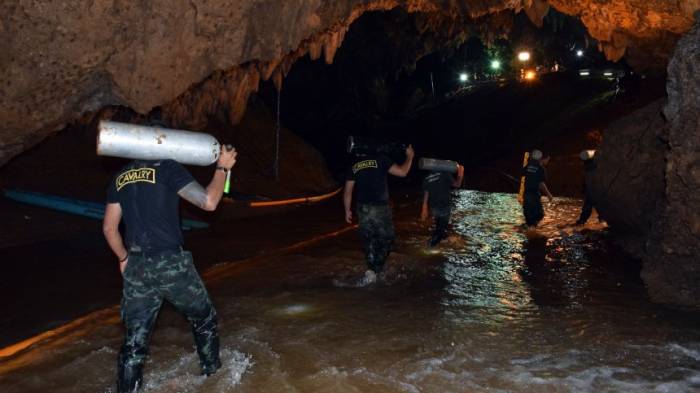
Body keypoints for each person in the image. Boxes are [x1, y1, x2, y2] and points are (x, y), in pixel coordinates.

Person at [102, 134, 237, 393]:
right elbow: (209, 202)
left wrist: (123, 258)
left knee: (134, 343)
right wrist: (222, 168)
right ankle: (213, 379)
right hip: (170, 263)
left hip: (137, 268)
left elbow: (109, 228)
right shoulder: (167, 167)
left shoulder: (120, 176)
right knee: (204, 320)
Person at [343, 144, 415, 284]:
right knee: (387, 239)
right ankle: (375, 270)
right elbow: (403, 172)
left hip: (363, 208)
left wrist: (347, 210)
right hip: (380, 207)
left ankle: (371, 270)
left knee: (369, 240)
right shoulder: (381, 159)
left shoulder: (354, 164)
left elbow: (347, 192)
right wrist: (410, 157)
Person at [420, 163, 464, 246]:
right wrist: (460, 173)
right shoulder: (445, 174)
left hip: (434, 208)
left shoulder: (427, 177)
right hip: (445, 206)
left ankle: (443, 238)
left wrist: (424, 209)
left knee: (439, 226)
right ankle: (430, 247)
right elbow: (457, 184)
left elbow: (426, 194)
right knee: (440, 230)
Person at [522, 149, 553, 228]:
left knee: (529, 215)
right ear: (543, 158)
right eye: (548, 159)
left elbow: (523, 173)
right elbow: (541, 183)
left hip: (526, 194)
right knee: (539, 214)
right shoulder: (541, 169)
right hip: (534, 194)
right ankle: (533, 232)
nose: (548, 162)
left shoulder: (528, 165)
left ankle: (529, 230)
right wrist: (549, 194)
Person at [575, 150, 597, 225]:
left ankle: (582, 220)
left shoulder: (587, 166)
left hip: (591, 188)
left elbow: (585, 178)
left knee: (588, 205)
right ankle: (600, 220)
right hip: (593, 188)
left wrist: (583, 188)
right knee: (591, 204)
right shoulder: (592, 165)